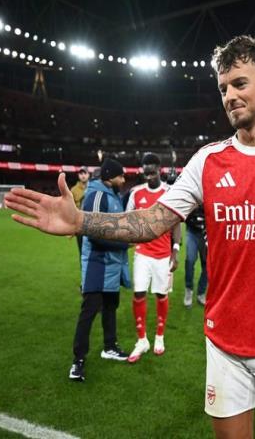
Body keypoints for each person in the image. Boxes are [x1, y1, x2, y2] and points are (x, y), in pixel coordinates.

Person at [5, 35, 255, 438]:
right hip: (224, 343)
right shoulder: (207, 161)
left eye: (239, 83)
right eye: (223, 88)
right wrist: (80, 221)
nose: (230, 96)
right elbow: (150, 221)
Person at [69, 158, 131, 382]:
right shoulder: (96, 196)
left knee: (110, 307)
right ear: (109, 177)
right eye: (120, 176)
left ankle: (109, 347)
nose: (123, 180)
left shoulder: (113, 196)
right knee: (89, 311)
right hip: (97, 263)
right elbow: (94, 234)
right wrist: (125, 244)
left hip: (112, 264)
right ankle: (78, 361)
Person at [126, 153, 181, 362]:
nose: (149, 175)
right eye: (146, 171)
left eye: (152, 171)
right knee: (138, 294)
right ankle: (142, 340)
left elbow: (176, 223)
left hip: (163, 255)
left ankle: (159, 336)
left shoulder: (169, 192)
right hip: (142, 253)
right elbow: (128, 219)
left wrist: (175, 251)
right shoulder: (135, 193)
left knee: (160, 295)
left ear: (159, 170)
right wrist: (130, 237)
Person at [183, 204, 207, 307]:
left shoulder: (212, 197)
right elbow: (185, 215)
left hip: (207, 233)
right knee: (190, 260)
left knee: (207, 264)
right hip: (192, 232)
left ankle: (201, 293)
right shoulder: (194, 197)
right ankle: (189, 290)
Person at [70, 166, 90, 257]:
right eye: (81, 173)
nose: (83, 175)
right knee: (82, 252)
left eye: (85, 173)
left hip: (92, 223)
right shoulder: (73, 190)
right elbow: (71, 209)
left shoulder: (93, 188)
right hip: (80, 225)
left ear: (88, 175)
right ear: (78, 175)